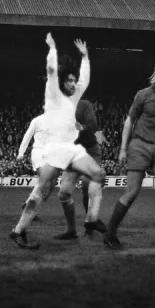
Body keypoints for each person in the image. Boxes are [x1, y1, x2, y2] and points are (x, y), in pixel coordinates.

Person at [9, 33, 106, 250]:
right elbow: (52, 72)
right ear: (62, 82)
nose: (74, 83)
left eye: (74, 80)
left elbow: (85, 79)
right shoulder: (53, 94)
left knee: (99, 174)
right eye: (69, 80)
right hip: (54, 150)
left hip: (71, 149)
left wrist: (86, 57)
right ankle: (17, 231)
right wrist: (52, 50)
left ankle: (91, 219)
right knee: (42, 191)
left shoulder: (74, 97)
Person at [104, 61, 155, 251]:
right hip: (139, 145)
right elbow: (129, 121)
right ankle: (109, 235)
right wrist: (123, 149)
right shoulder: (143, 95)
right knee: (131, 192)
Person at [54, 98, 104, 239]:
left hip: (90, 150)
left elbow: (93, 125)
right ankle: (72, 231)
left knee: (88, 186)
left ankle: (91, 222)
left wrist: (79, 128)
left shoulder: (84, 104)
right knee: (63, 193)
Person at [17, 113, 48, 222]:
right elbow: (27, 135)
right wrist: (21, 152)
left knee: (44, 184)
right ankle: (29, 208)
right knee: (44, 180)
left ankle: (27, 205)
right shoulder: (37, 120)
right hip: (38, 153)